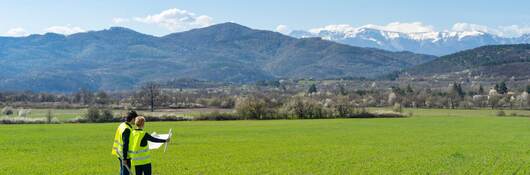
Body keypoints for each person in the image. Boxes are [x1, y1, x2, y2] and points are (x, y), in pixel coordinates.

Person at [112, 110, 138, 175]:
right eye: (135, 119)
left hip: (119, 153)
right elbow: (125, 145)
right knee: (125, 173)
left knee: (122, 171)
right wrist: (125, 158)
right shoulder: (127, 129)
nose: (136, 121)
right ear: (132, 119)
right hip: (125, 155)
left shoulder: (122, 125)